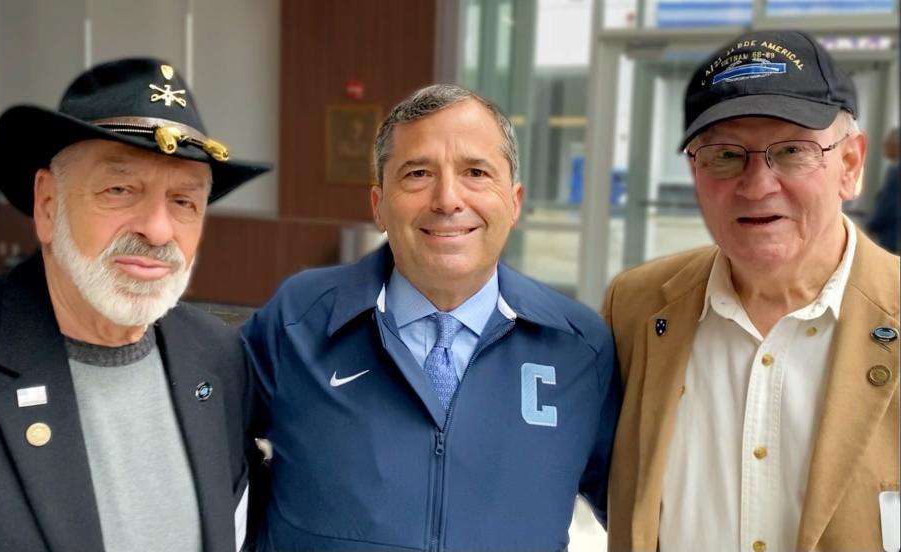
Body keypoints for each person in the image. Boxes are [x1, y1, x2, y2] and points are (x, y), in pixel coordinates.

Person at [242, 84, 620, 551]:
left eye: (476, 172)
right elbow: (204, 455)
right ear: (378, 205)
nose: (447, 199)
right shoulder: (298, 321)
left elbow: (637, 511)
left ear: (515, 202)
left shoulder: (579, 347)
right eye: (418, 173)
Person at [0, 58, 271, 552]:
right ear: (48, 204)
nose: (158, 231)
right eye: (120, 189)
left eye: (184, 201)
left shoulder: (218, 357)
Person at [603, 30, 899, 552]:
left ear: (849, 165)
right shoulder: (636, 308)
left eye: (791, 151)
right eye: (724, 155)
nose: (757, 185)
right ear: (695, 170)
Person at [867, 127, 899, 253]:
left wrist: (872, 226)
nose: (884, 147)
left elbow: (888, 203)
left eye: (887, 144)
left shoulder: (895, 171)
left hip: (892, 233)